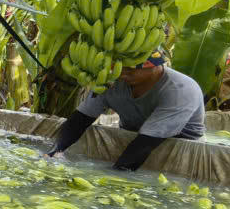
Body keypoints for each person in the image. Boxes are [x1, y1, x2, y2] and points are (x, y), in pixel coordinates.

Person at [46, 52, 205, 170]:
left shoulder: (180, 90)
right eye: (119, 68)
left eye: (130, 70)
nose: (122, 73)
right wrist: (54, 151)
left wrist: (113, 177)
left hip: (178, 150)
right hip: (132, 137)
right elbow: (80, 119)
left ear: (155, 66)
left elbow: (146, 143)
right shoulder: (112, 81)